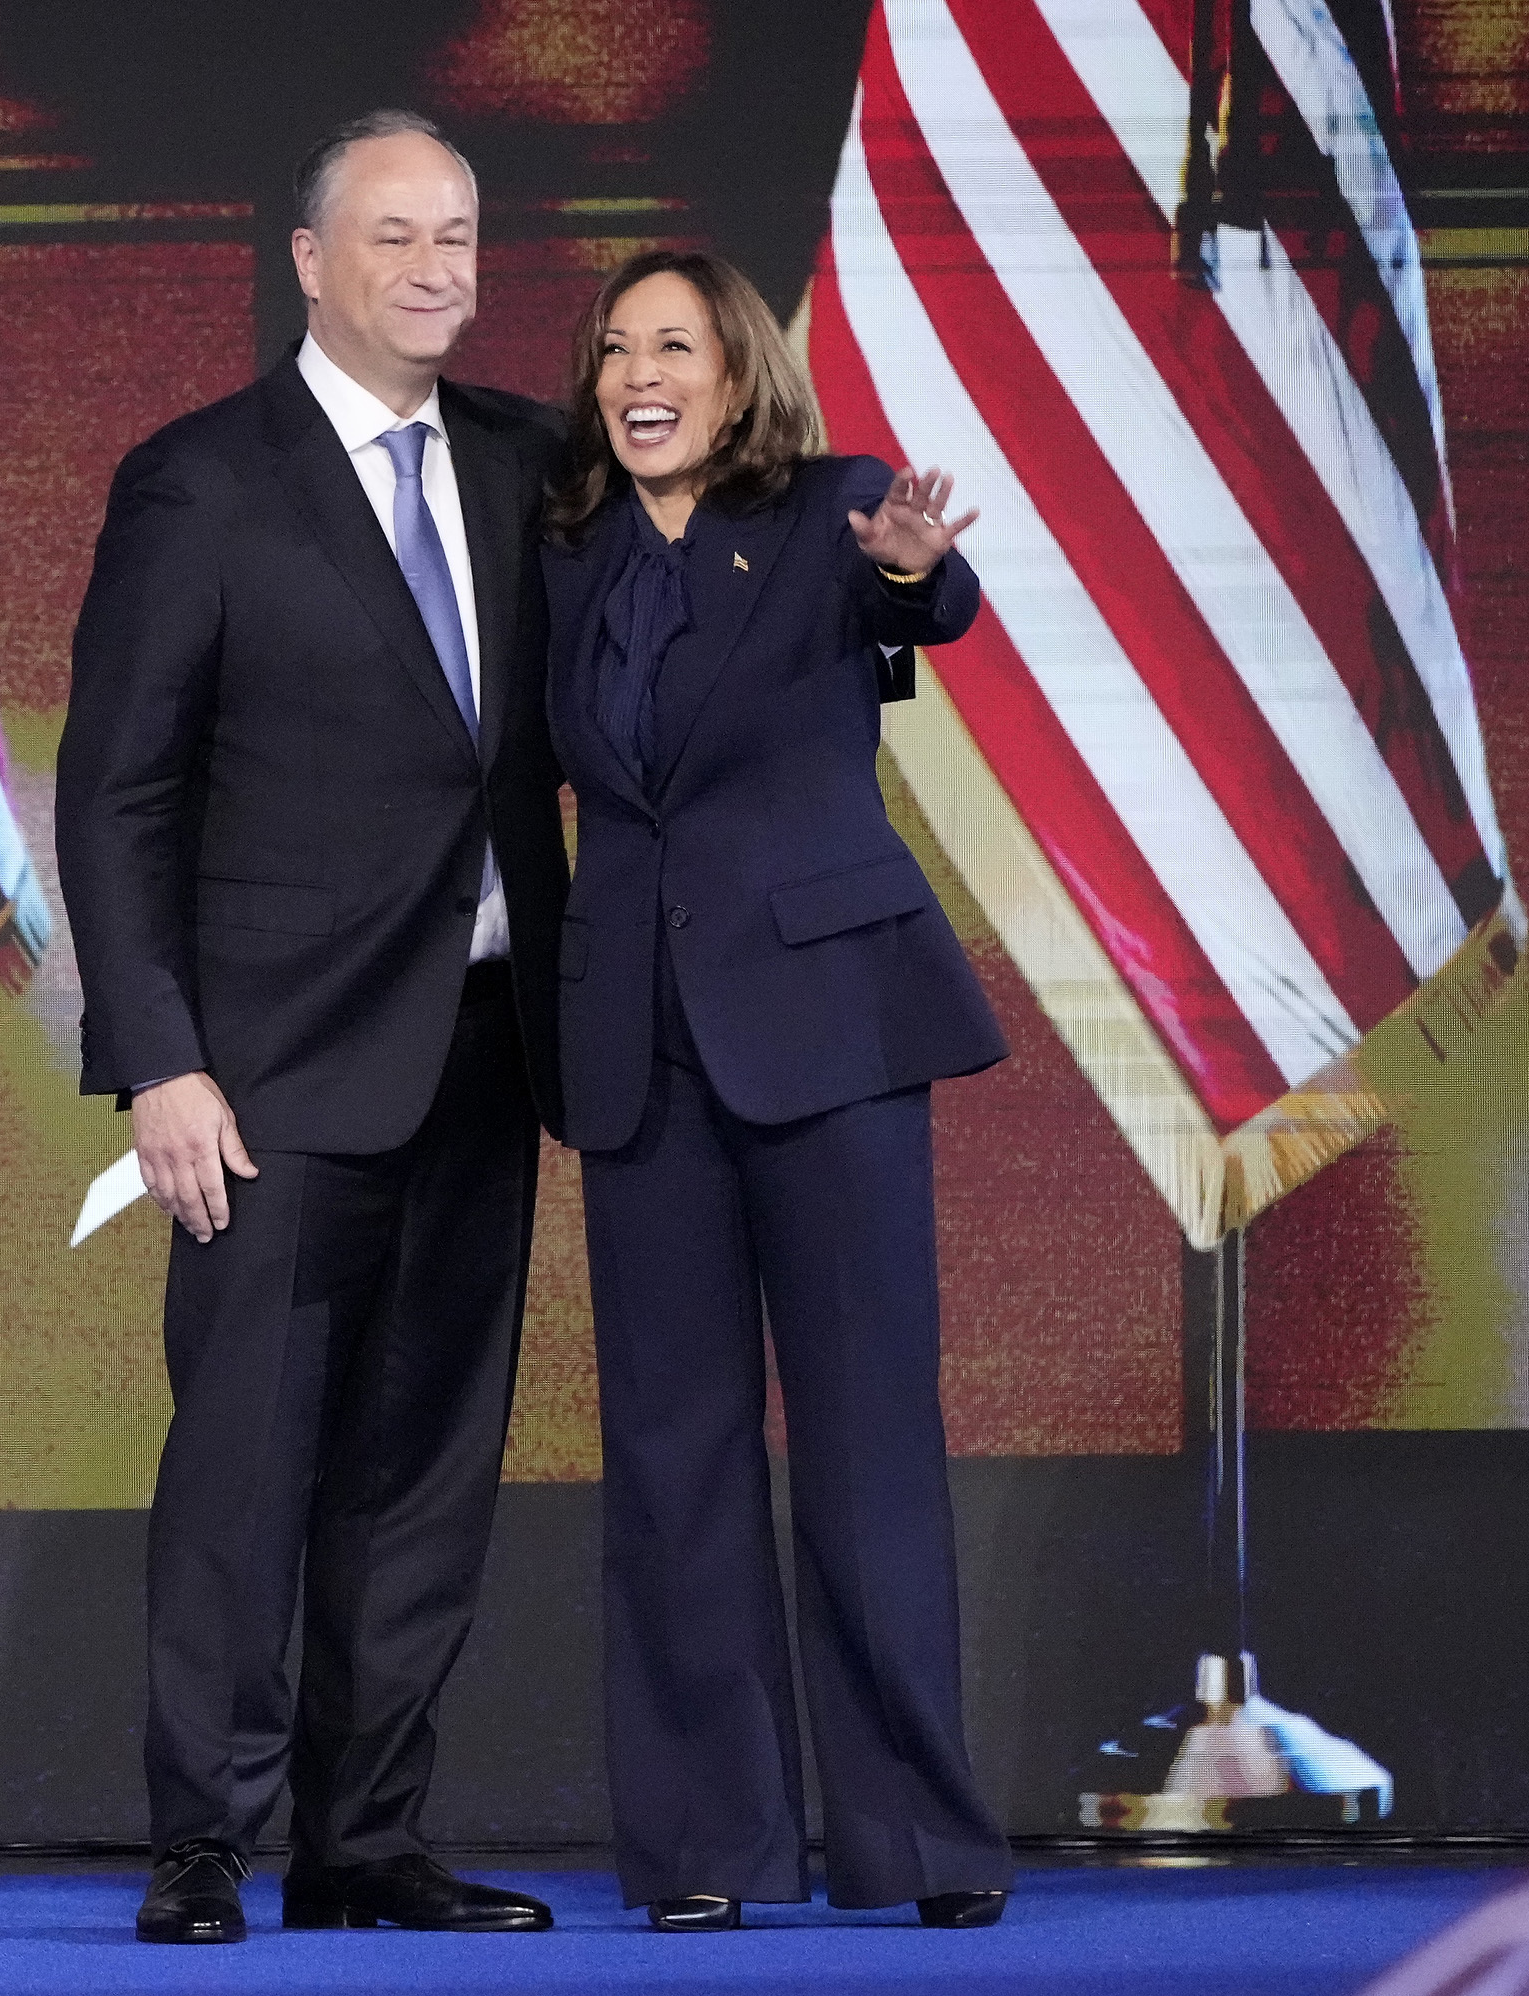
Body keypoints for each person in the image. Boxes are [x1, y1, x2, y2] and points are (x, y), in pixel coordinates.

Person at [54, 109, 570, 1945]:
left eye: (459, 235)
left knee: (423, 1474)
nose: (436, 269)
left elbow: (702, 573)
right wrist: (160, 1061)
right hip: (264, 1076)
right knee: (248, 1464)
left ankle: (366, 1843)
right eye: (395, 235)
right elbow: (117, 796)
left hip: (488, 1049)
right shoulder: (202, 481)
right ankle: (204, 1840)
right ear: (309, 261)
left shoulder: (530, 461)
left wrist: (901, 589)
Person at [541, 248, 1015, 1931]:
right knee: (674, 1457)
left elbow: (919, 604)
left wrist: (912, 576)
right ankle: (706, 1851)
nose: (638, 375)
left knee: (868, 1439)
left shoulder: (831, 511)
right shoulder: (566, 550)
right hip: (639, 1046)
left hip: (827, 1034)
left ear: (738, 375)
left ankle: (918, 1843)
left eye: (673, 346)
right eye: (617, 350)